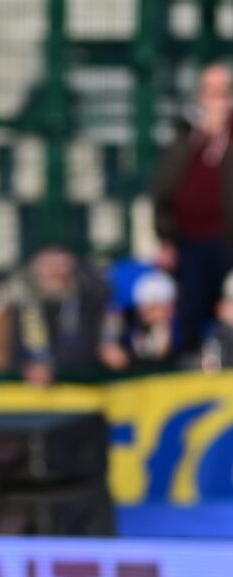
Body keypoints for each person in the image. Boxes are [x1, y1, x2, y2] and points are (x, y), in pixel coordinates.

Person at [152, 62, 233, 354]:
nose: (215, 102)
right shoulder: (186, 136)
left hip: (226, 240)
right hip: (189, 240)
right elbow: (163, 186)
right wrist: (165, 237)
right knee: (191, 307)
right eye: (209, 93)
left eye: (222, 94)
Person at [9, 245, 111, 385]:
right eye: (49, 266)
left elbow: (88, 352)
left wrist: (50, 369)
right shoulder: (22, 308)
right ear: (35, 272)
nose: (57, 272)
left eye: (63, 265)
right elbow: (12, 353)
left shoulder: (90, 305)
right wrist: (28, 367)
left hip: (80, 391)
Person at [99, 269, 179, 373]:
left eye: (154, 307)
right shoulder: (129, 324)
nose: (148, 313)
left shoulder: (182, 330)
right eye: (145, 308)